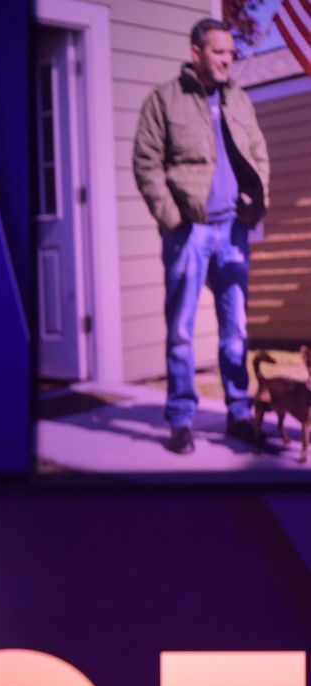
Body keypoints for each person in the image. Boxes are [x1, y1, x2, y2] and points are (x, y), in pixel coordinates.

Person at [133, 18, 269, 455]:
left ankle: (240, 412)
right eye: (219, 52)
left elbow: (259, 154)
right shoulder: (164, 101)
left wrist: (253, 205)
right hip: (188, 231)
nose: (228, 59)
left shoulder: (240, 101)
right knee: (182, 330)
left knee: (236, 329)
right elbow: (146, 162)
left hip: (233, 230)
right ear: (196, 53)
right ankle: (180, 418)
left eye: (231, 52)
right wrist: (173, 217)